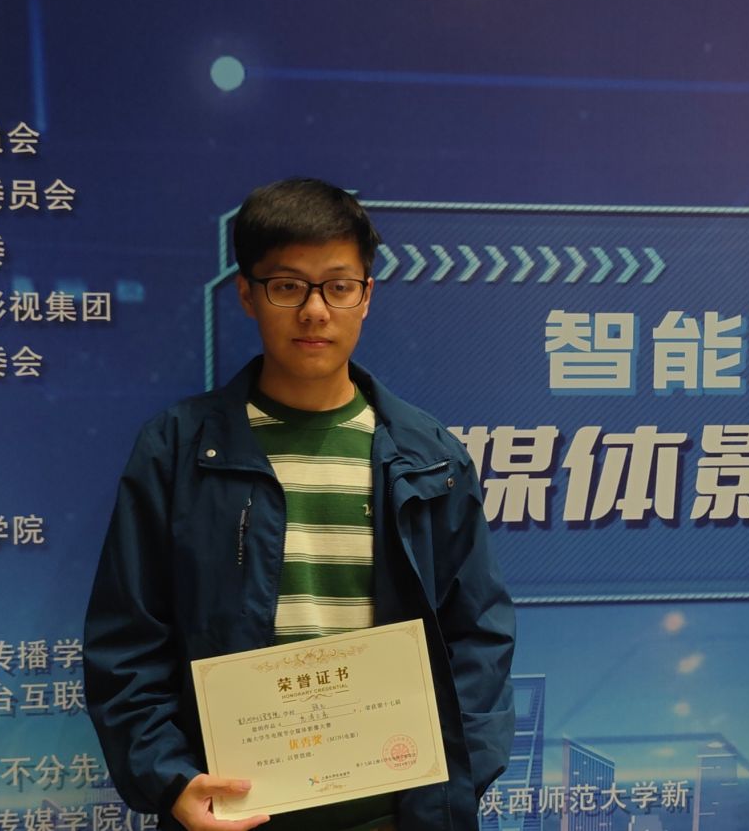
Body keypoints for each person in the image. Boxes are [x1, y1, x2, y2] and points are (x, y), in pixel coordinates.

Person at [84, 178, 515, 831]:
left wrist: (455, 775)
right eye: (287, 286)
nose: (315, 311)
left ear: (366, 296)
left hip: (398, 814)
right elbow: (127, 641)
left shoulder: (430, 456)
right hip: (235, 814)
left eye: (338, 286)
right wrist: (172, 779)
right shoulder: (177, 450)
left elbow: (478, 631)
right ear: (247, 294)